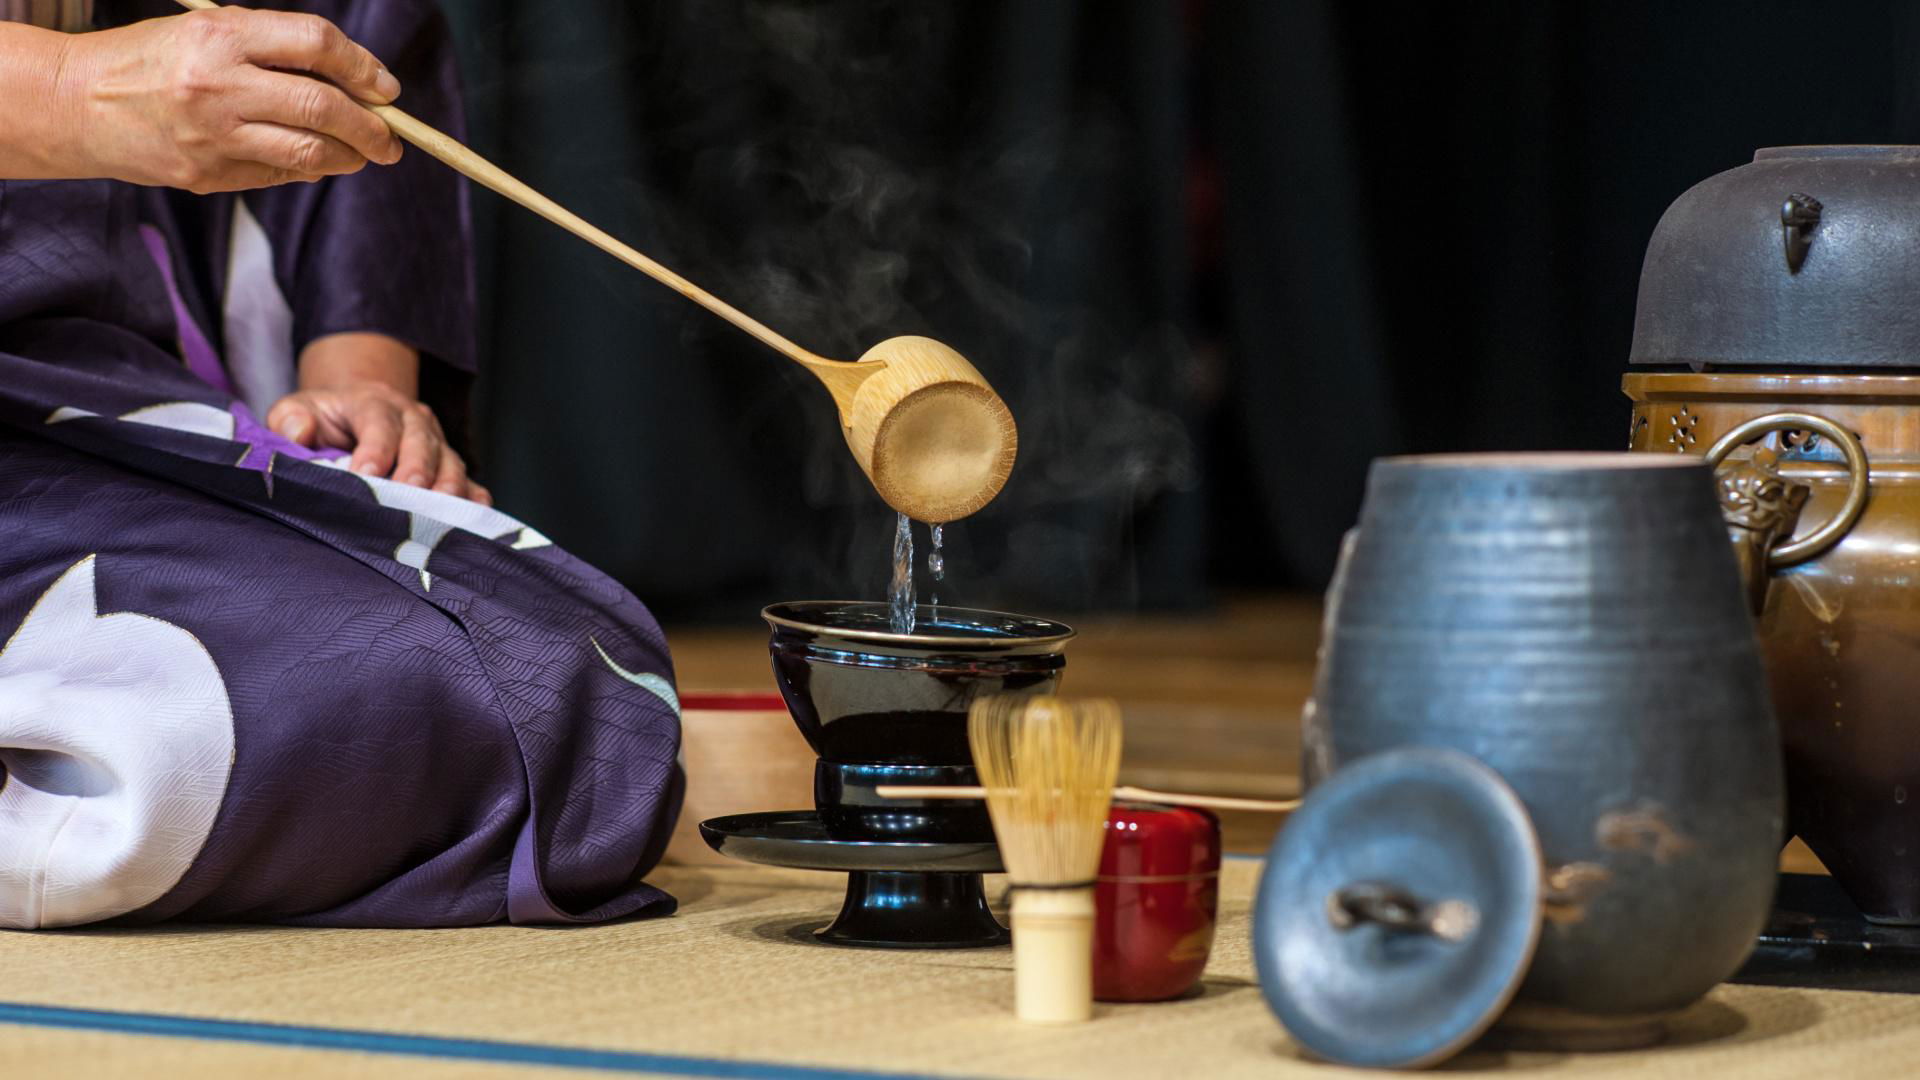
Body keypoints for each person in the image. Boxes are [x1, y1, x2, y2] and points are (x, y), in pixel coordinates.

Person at [0, 1, 682, 929]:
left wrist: (358, 389)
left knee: (573, 675)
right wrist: (63, 91)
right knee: (287, 706)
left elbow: (352, 29)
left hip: (93, 395)